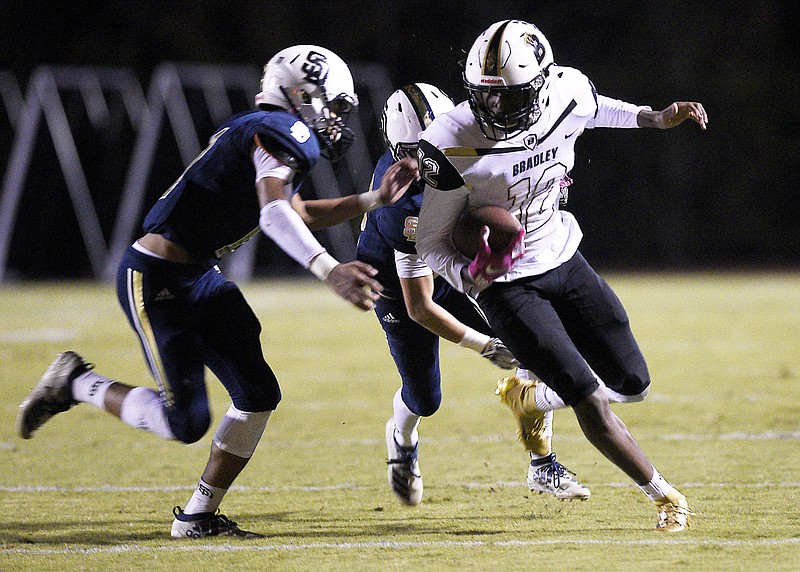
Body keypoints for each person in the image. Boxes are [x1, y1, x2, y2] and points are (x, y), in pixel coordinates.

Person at [16, 44, 418, 539]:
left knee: (257, 393)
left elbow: (292, 211)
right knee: (183, 422)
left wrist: (371, 199)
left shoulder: (263, 132)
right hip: (157, 276)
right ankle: (76, 382)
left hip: (199, 276)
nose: (336, 119)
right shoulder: (282, 130)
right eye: (332, 105)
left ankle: (197, 515)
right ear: (299, 95)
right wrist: (329, 268)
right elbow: (274, 215)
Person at [415, 20, 708, 532]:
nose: (495, 109)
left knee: (632, 383)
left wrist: (652, 118)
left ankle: (529, 397)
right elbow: (432, 243)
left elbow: (598, 109)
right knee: (586, 394)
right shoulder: (448, 139)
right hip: (506, 286)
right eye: (485, 97)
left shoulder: (565, 91)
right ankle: (665, 496)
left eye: (509, 97)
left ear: (543, 83)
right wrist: (475, 274)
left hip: (562, 254)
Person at [355, 83, 589, 506]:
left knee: (533, 339)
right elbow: (420, 305)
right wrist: (484, 346)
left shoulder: (470, 150)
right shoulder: (401, 208)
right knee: (425, 399)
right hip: (400, 287)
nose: (428, 161)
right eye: (415, 151)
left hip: (459, 263)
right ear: (395, 150)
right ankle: (401, 436)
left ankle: (543, 465)